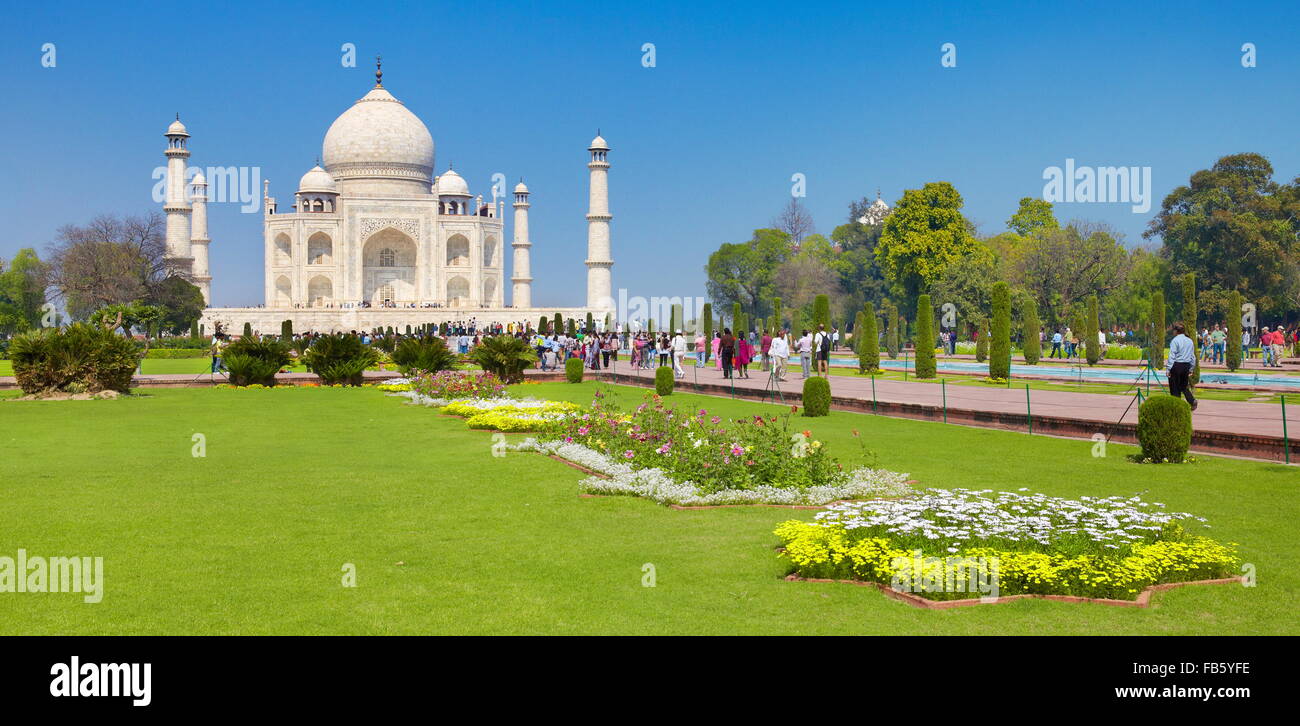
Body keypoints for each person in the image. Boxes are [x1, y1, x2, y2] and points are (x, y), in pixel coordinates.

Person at [1166, 321, 1197, 410]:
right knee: (1183, 386)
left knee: (1174, 387)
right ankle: (1192, 400)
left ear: (1176, 331)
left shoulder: (1175, 340)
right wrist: (1191, 368)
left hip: (1177, 365)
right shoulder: (1189, 340)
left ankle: (1176, 407)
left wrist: (1168, 369)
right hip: (1186, 366)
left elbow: (1172, 356)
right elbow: (1192, 356)